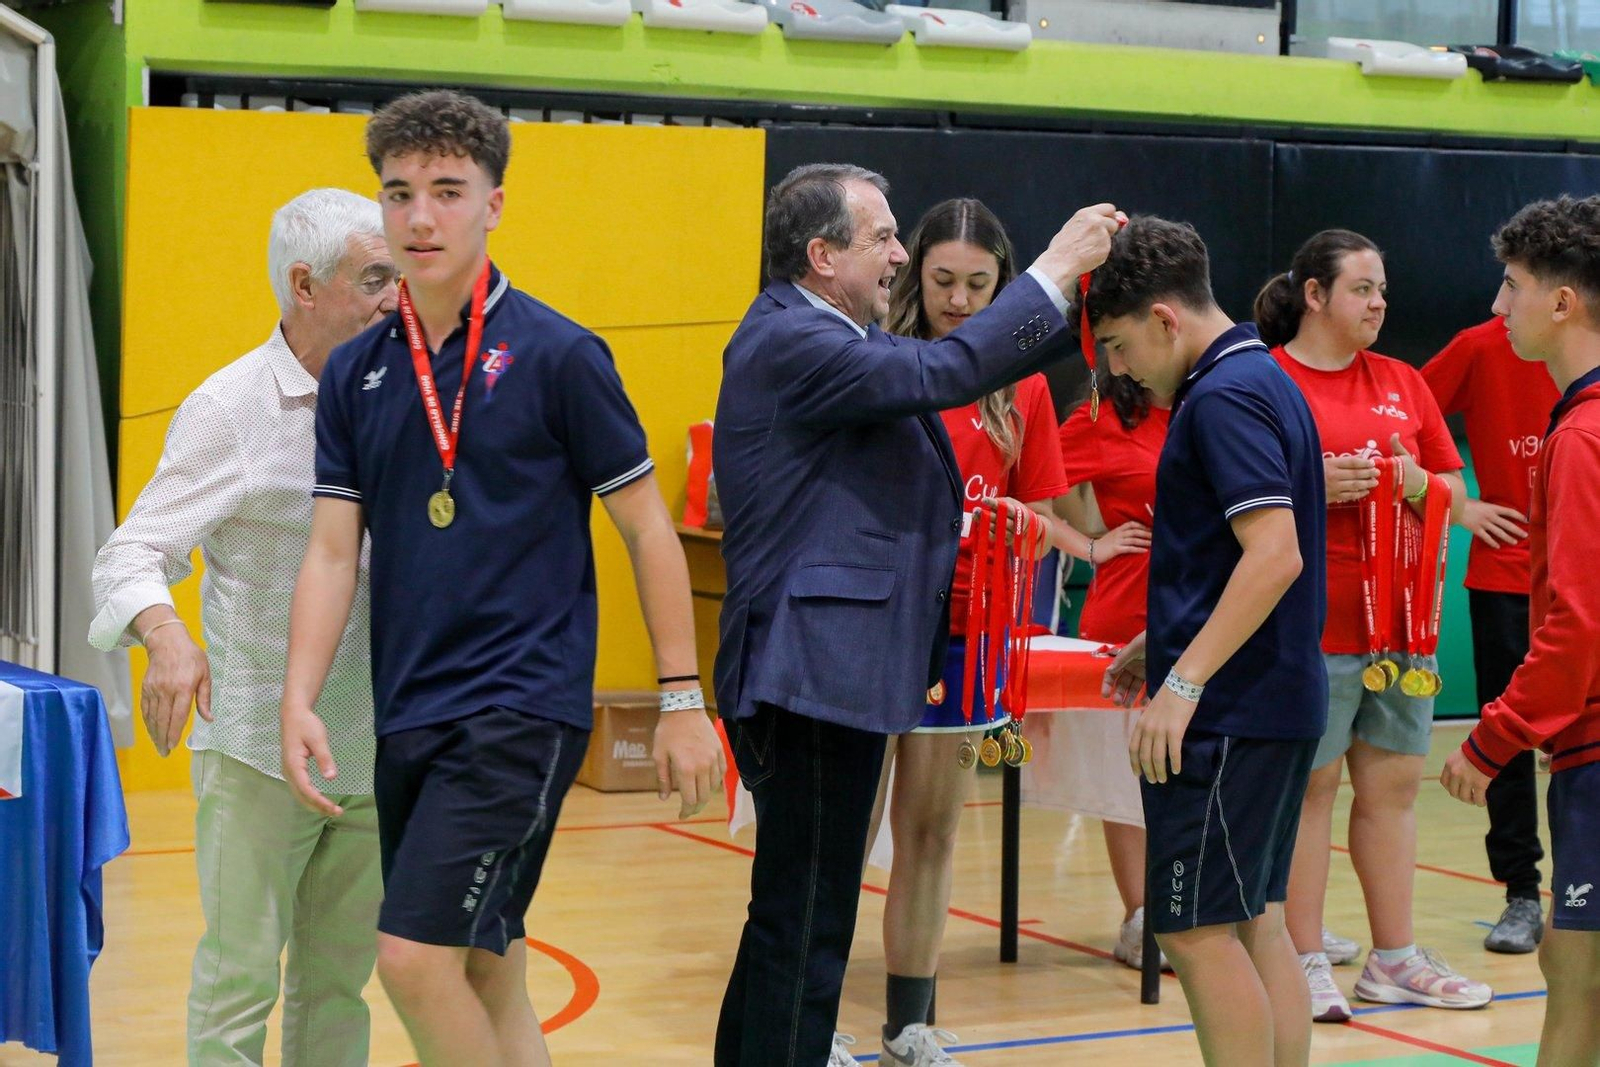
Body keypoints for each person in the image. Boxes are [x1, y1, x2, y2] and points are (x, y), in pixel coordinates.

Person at [277, 89, 724, 1067]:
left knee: (410, 957)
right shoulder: (356, 376)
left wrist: (683, 697)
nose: (420, 216)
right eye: (399, 194)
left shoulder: (561, 355)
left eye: (447, 189)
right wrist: (299, 694)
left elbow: (647, 526)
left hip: (520, 706)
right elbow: (330, 550)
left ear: (494, 203)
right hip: (410, 709)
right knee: (488, 963)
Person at [711, 163, 1121, 1067]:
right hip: (812, 668)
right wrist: (1053, 267)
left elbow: (944, 374)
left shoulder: (832, 334)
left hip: (833, 666)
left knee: (794, 914)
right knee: (808, 922)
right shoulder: (796, 340)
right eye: (883, 237)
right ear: (821, 256)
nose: (900, 252)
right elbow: (953, 366)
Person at [88, 188, 396, 1066]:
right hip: (259, 747)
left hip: (378, 746)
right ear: (305, 284)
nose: (394, 298)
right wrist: (167, 635)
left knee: (338, 985)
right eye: (375, 278)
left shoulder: (405, 394)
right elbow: (131, 551)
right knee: (239, 981)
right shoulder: (230, 410)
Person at [1093, 215, 1327, 1067]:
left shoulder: (1224, 395)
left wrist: (1183, 683)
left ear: (1163, 319)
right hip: (1272, 698)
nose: (1117, 369)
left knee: (1191, 933)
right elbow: (1238, 557)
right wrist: (1165, 642)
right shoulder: (1259, 377)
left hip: (1233, 712)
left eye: (1119, 345)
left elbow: (1276, 556)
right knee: (1256, 921)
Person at [1258, 230, 1489, 1022]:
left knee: (1390, 792)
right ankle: (1303, 957)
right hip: (1309, 625)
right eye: (1362, 288)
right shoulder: (1265, 379)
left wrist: (1421, 479)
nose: (1380, 303)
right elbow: (1228, 490)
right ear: (1315, 295)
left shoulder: (1401, 381)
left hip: (1401, 628)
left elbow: (1454, 493)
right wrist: (1309, 483)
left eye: (1383, 289)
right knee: (1312, 791)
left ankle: (1392, 958)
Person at [864, 197, 1072, 1067]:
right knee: (843, 831)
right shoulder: (878, 361)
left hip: (967, 632)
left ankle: (909, 1025)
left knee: (933, 832)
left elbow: (1050, 516)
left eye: (979, 284)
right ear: (914, 274)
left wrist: (1010, 521)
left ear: (1006, 284)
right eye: (942, 280)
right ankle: (809, 1019)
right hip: (871, 627)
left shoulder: (1021, 385)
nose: (957, 299)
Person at [1442, 194, 1600, 1067]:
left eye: (1512, 286)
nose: (1500, 307)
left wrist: (1490, 739)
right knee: (1569, 955)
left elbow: (1577, 626)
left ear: (1563, 302)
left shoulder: (1581, 436)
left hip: (1595, 752)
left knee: (1574, 972)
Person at [1422, 315, 1559, 954]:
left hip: (1582, 576)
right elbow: (1396, 425)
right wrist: (1458, 505)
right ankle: (1522, 894)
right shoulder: (1481, 344)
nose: (1505, 296)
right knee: (1504, 741)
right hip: (1507, 579)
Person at [1050, 370, 1162, 968]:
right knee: (1132, 781)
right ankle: (1142, 917)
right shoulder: (1095, 419)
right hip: (1125, 620)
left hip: (1210, 615)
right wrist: (1090, 543)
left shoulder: (1214, 399)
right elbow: (1037, 490)